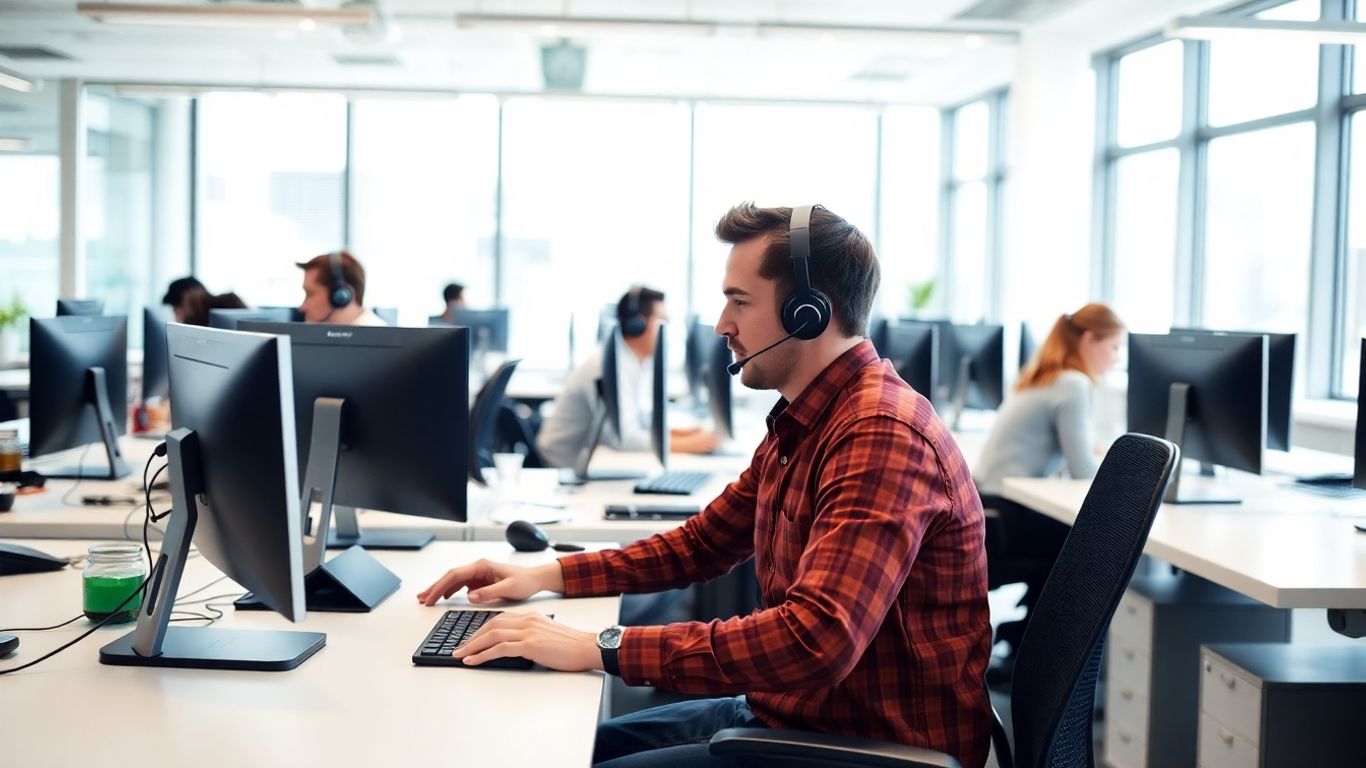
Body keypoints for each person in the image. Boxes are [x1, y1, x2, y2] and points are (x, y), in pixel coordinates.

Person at [419, 203, 992, 768]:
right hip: (792, 717)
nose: (722, 325)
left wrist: (602, 646)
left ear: (809, 314)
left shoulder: (877, 434)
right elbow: (700, 543)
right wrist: (544, 575)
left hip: (866, 749)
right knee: (557, 749)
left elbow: (815, 640)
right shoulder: (808, 418)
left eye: (739, 302)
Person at [972, 302, 1124, 675]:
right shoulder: (1073, 382)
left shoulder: (1043, 375)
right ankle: (1041, 656)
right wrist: (1132, 469)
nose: (1117, 359)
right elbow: (1083, 472)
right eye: (1115, 347)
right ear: (1090, 339)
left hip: (991, 508)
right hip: (1008, 517)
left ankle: (1025, 637)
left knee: (1072, 539)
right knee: (1092, 550)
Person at [535, 286, 722, 468]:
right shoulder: (610, 365)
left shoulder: (639, 360)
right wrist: (690, 445)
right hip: (562, 464)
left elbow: (642, 420)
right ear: (637, 324)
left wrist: (680, 434)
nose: (669, 332)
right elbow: (623, 437)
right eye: (663, 322)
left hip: (594, 459)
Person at [296, 250, 387, 326]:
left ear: (341, 295)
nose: (302, 307)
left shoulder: (379, 343)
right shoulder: (330, 340)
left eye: (310, 294)